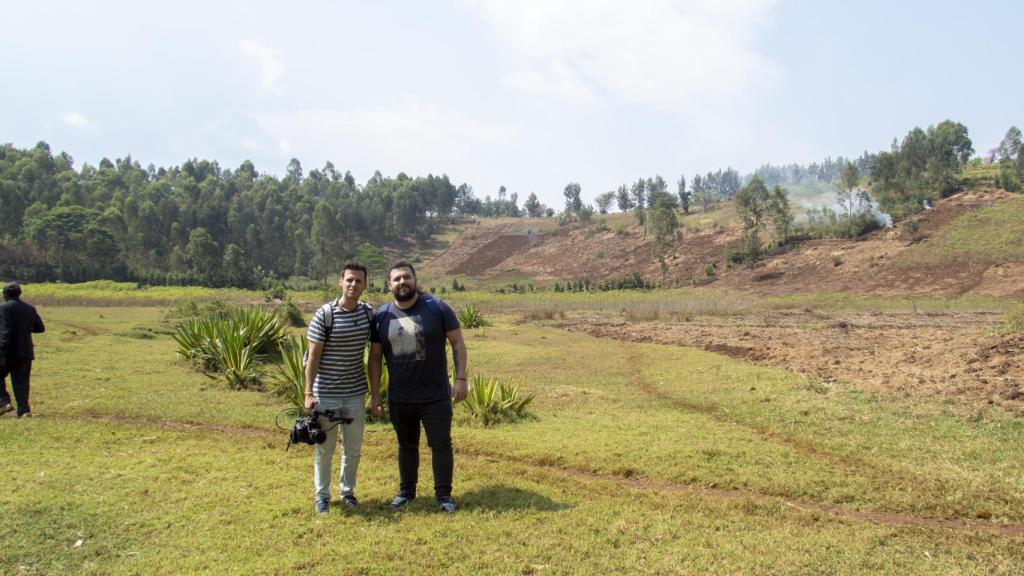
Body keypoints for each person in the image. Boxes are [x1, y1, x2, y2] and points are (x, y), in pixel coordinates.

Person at [368, 261, 468, 514]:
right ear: (389, 285)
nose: (402, 282)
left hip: (436, 395)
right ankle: (406, 493)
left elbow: (457, 343)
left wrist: (461, 378)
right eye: (397, 279)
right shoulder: (382, 316)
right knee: (406, 445)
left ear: (414, 280)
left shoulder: (437, 307)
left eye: (406, 277)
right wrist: (376, 395)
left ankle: (444, 496)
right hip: (401, 397)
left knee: (441, 444)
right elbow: (375, 358)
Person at [304, 263, 374, 514]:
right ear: (341, 281)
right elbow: (313, 357)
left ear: (365, 285)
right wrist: (308, 393)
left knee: (353, 449)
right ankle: (322, 496)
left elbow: (377, 349)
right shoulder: (325, 314)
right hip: (326, 393)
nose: (353, 285)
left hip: (355, 392)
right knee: (325, 448)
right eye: (349, 280)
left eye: (358, 281)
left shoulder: (368, 314)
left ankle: (347, 492)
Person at [0, 283, 45, 418]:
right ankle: (24, 411)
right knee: (21, 382)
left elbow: (5, 331)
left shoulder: (3, 308)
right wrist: (25, 329)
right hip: (25, 351)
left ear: (5, 294)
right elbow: (40, 328)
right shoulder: (29, 308)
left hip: (9, 351)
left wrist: (1, 352)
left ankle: (3, 402)